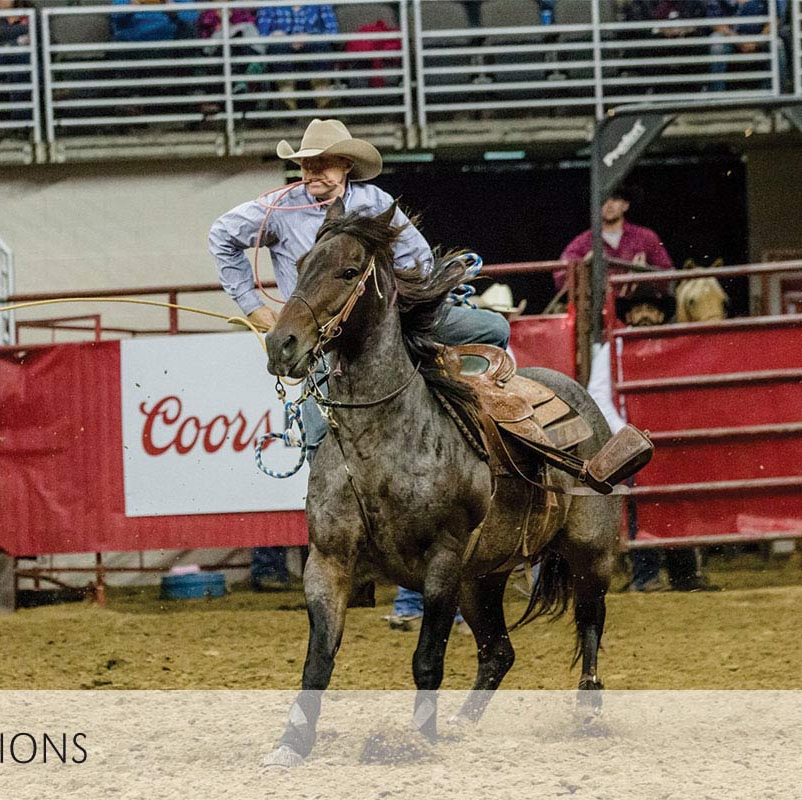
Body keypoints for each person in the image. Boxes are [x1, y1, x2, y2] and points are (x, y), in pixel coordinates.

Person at [209, 118, 511, 593]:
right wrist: (255, 306)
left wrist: (403, 299)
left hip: (389, 321)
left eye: (324, 165)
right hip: (325, 336)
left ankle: (492, 445)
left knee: (493, 328)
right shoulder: (278, 210)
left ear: (346, 166)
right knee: (314, 424)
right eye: (307, 165)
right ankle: (344, 536)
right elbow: (221, 236)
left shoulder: (376, 205)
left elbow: (419, 258)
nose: (314, 174)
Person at [587, 286, 719, 592]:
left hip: (673, 442)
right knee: (641, 503)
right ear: (629, 316)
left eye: (651, 309)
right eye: (638, 309)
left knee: (679, 504)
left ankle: (683, 574)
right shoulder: (613, 350)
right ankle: (645, 576)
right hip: (635, 444)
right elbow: (598, 396)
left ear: (660, 315)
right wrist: (629, 435)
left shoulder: (675, 347)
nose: (645, 314)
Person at [556, 183, 674, 292]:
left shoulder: (647, 237)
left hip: (636, 307)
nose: (609, 204)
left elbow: (668, 275)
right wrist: (582, 268)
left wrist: (646, 272)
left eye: (615, 199)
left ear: (626, 205)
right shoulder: (581, 243)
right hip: (598, 310)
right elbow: (560, 277)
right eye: (603, 199)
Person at [254, 3, 338, 111]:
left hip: (314, 46)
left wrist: (310, 36)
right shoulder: (269, 4)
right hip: (281, 47)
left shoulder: (321, 3)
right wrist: (275, 36)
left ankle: (323, 98)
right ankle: (287, 99)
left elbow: (332, 31)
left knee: (320, 46)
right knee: (278, 48)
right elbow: (261, 33)